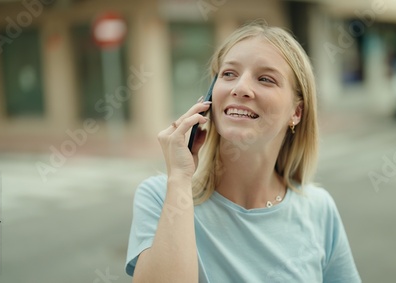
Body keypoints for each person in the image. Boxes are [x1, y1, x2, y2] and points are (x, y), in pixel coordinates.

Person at [125, 22, 361, 283]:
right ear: (210, 97)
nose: (240, 88)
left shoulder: (319, 209)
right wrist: (180, 179)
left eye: (265, 79)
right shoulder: (161, 196)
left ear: (296, 112)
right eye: (228, 74)